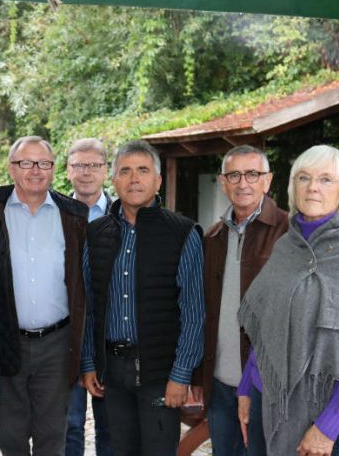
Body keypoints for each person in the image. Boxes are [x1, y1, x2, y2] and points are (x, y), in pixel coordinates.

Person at [237, 145, 339, 456]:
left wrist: (328, 427)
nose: (312, 187)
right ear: (292, 186)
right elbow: (265, 324)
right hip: (267, 400)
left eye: (326, 179)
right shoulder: (287, 247)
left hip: (326, 416)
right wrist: (246, 388)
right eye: (304, 178)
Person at [81, 140, 205, 456]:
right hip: (111, 373)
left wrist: (181, 376)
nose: (134, 179)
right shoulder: (95, 234)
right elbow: (89, 306)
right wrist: (88, 361)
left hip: (160, 374)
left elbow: (194, 313)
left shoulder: (183, 233)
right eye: (125, 171)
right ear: (114, 180)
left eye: (143, 170)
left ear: (158, 180)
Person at [0, 136, 88, 456]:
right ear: (11, 169)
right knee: (11, 435)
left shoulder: (74, 217)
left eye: (43, 163)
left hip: (57, 343)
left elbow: (86, 284)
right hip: (8, 341)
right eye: (26, 163)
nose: (35, 170)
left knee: (53, 436)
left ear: (53, 170)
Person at [194, 145, 288, 456]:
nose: (243, 183)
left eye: (252, 174)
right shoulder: (212, 237)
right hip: (220, 383)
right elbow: (202, 311)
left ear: (268, 181)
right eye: (234, 174)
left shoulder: (289, 232)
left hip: (268, 387)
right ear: (223, 182)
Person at [65, 138, 113, 456]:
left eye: (94, 165)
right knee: (69, 427)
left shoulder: (125, 215)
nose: (86, 172)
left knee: (111, 428)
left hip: (110, 338)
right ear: (68, 171)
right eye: (80, 165)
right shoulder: (52, 213)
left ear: (105, 171)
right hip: (65, 338)